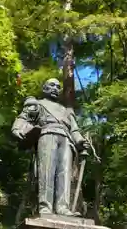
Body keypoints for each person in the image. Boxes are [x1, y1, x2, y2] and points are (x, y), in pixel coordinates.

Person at [12, 78, 89, 216]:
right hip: (47, 135)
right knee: (46, 171)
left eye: (58, 86)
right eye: (52, 85)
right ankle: (45, 206)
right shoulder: (37, 105)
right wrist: (17, 129)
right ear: (44, 88)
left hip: (66, 139)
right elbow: (23, 118)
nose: (55, 88)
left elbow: (75, 130)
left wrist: (80, 141)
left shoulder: (66, 111)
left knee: (64, 173)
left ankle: (63, 207)